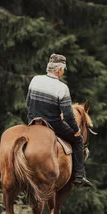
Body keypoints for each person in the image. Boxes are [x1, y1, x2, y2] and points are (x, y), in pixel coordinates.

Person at [26, 54, 93, 188]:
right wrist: (75, 130)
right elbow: (68, 115)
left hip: (33, 122)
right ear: (59, 70)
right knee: (79, 140)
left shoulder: (35, 79)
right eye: (63, 70)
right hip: (53, 125)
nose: (63, 72)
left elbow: (28, 103)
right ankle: (79, 176)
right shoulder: (62, 88)